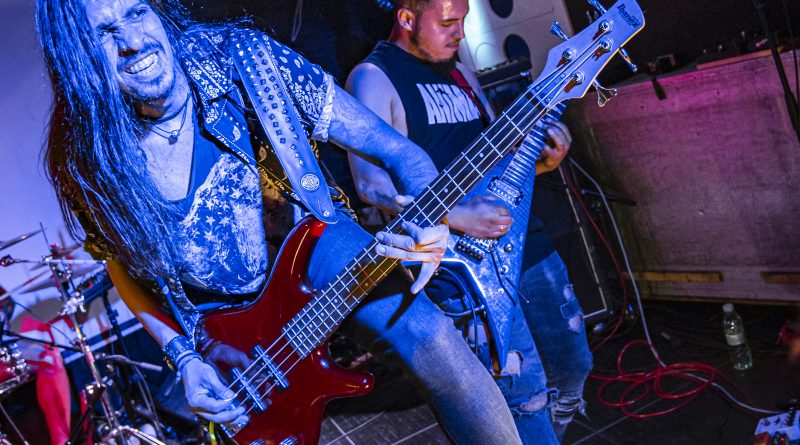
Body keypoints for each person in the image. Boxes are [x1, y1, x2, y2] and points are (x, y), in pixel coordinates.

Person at [34, 0, 524, 443]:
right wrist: (183, 359)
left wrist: (431, 215)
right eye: (104, 33)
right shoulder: (83, 156)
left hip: (310, 245)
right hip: (226, 337)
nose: (134, 42)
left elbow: (399, 152)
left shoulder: (245, 59)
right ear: (75, 54)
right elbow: (122, 266)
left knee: (432, 339)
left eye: (138, 13)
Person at [345, 0, 593, 442]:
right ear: (406, 19)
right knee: (525, 397)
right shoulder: (373, 77)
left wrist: (541, 165)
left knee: (574, 367)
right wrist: (457, 215)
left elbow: (494, 166)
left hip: (522, 239)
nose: (459, 33)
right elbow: (371, 185)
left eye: (463, 20)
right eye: (447, 23)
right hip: (462, 265)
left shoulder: (462, 72)